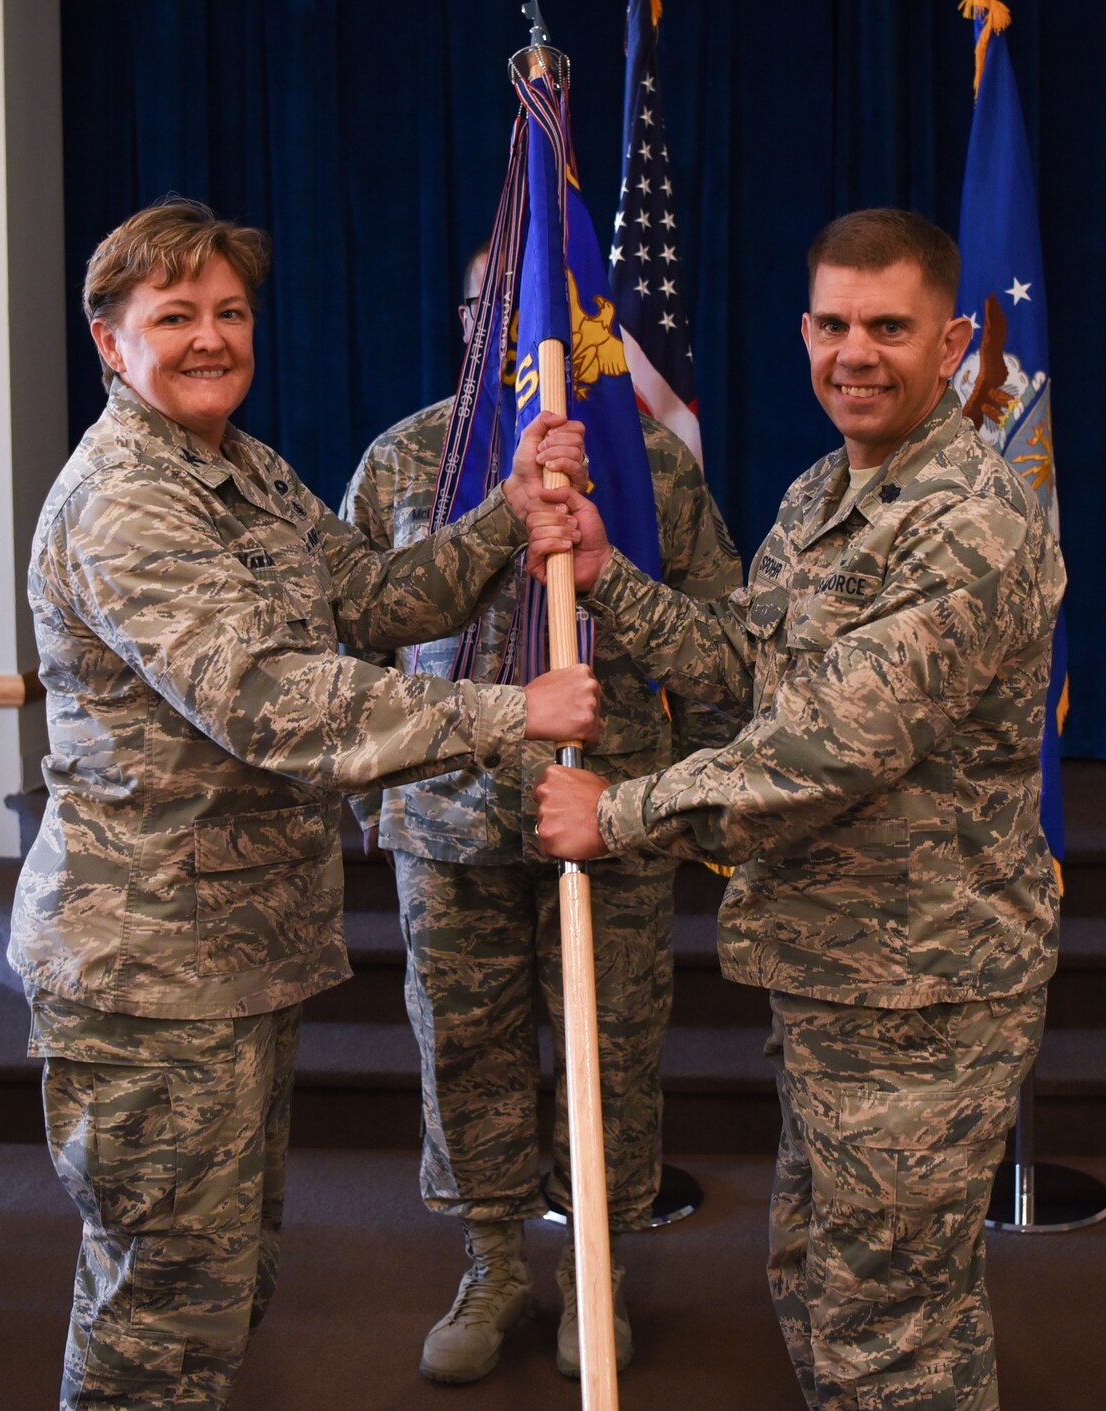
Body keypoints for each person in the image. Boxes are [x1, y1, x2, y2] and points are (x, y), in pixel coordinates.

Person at [8, 197, 602, 1411]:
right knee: (160, 1310)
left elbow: (373, 597)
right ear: (109, 340)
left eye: (229, 311)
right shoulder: (126, 499)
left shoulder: (243, 469)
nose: (213, 337)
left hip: (232, 956)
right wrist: (507, 714)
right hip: (147, 972)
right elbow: (267, 699)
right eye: (175, 316)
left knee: (217, 1286)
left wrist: (506, 516)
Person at [530, 208, 1064, 1410]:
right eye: (831, 324)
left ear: (955, 340)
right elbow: (752, 666)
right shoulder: (824, 491)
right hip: (836, 976)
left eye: (888, 327)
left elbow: (829, 746)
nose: (853, 353)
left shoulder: (969, 523)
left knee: (889, 1335)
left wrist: (615, 814)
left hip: (922, 991)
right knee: (826, 1291)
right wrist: (612, 578)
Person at [338, 245, 743, 1384]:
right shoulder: (404, 460)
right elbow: (346, 641)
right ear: (466, 324)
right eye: (498, 316)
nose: (523, 344)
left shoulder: (645, 460)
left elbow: (731, 641)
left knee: (607, 1051)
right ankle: (490, 1264)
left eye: (545, 322)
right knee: (464, 1047)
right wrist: (383, 795)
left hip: (608, 808)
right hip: (447, 817)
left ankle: (591, 1267)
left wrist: (681, 803)